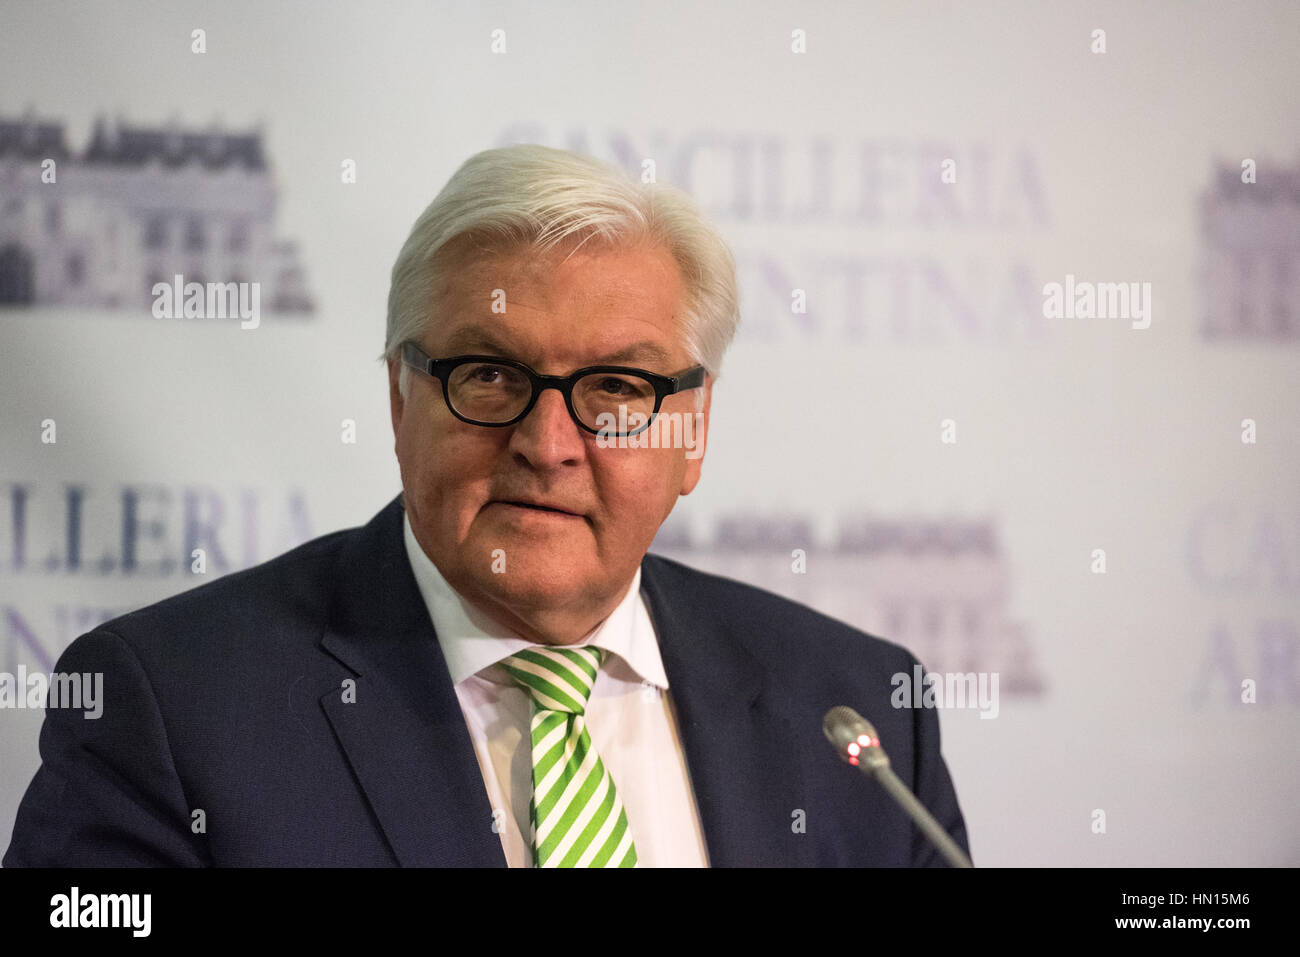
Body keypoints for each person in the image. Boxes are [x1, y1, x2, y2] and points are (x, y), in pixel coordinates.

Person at [4, 144, 970, 867]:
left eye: (619, 391)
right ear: (398, 399)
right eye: (489, 373)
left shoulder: (862, 714)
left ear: (695, 431)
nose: (547, 445)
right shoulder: (173, 710)